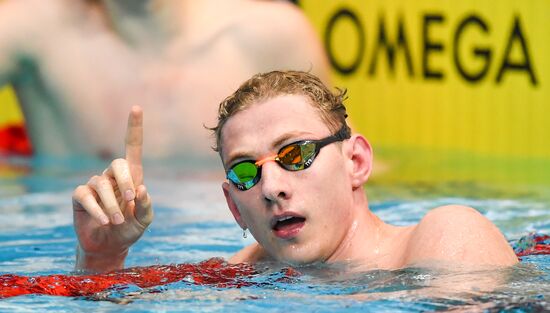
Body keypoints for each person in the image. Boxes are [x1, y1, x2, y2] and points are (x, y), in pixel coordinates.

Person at [72, 70, 518, 273]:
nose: (270, 187)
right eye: (246, 172)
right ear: (233, 208)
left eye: (296, 154)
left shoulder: (443, 237)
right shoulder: (245, 273)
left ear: (356, 162)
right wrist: (100, 256)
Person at [0, 0, 329, 159]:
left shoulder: (270, 35)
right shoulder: (36, 33)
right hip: (79, 278)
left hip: (230, 280)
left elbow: (346, 176)